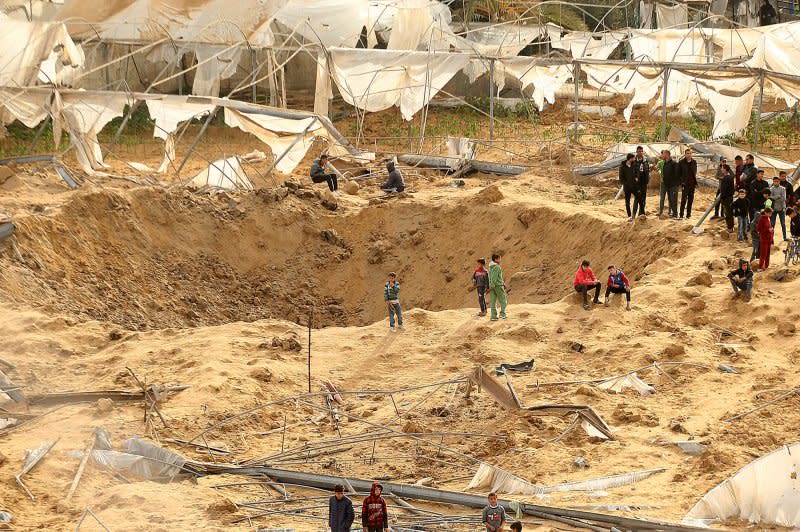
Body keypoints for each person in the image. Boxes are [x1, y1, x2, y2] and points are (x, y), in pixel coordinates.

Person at [659, 150, 680, 218]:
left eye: (663, 154)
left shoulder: (674, 163)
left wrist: (675, 184)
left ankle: (675, 214)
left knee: (674, 200)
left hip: (673, 186)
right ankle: (673, 213)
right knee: (670, 200)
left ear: (667, 155)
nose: (662, 156)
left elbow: (677, 175)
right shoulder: (665, 163)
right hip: (667, 185)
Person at [678, 148, 698, 219]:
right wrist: (681, 182)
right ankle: (681, 215)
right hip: (685, 184)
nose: (689, 155)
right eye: (687, 153)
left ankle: (688, 215)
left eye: (690, 153)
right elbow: (678, 174)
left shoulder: (694, 162)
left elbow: (695, 172)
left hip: (692, 184)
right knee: (683, 200)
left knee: (690, 200)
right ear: (685, 154)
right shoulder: (681, 162)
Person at [619, 153, 639, 221]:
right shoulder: (622, 167)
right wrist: (626, 184)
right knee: (627, 202)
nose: (634, 159)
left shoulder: (634, 165)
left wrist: (636, 177)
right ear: (630, 158)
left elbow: (636, 172)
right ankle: (629, 216)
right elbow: (621, 178)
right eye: (633, 158)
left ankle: (635, 214)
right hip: (627, 187)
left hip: (633, 186)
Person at [488, 254, 507, 321]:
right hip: (498, 286)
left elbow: (490, 277)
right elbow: (494, 277)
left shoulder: (490, 267)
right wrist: (493, 285)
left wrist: (490, 286)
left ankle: (493, 316)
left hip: (492, 287)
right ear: (496, 259)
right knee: (503, 300)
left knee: (493, 301)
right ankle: (502, 315)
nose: (500, 260)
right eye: (499, 258)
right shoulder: (497, 267)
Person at [769, 176, 788, 241]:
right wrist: (778, 196)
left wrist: (774, 198)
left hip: (782, 208)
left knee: (783, 223)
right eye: (774, 181)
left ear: (779, 181)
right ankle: (771, 239)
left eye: (777, 181)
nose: (776, 182)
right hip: (773, 209)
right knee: (772, 224)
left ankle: (785, 237)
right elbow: (770, 199)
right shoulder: (771, 189)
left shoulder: (783, 189)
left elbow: (783, 199)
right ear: (773, 181)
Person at [634, 145, 650, 215]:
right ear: (636, 152)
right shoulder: (634, 161)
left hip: (644, 182)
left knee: (643, 198)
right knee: (637, 198)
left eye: (641, 151)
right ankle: (633, 214)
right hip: (637, 183)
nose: (640, 153)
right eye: (639, 151)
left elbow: (648, 170)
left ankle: (641, 214)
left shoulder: (645, 161)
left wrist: (648, 178)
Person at [719, 163, 735, 233]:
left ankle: (730, 228)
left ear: (725, 170)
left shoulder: (726, 178)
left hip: (726, 199)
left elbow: (724, 190)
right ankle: (731, 227)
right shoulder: (731, 177)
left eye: (722, 168)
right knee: (730, 213)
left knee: (728, 213)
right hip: (730, 197)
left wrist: (722, 199)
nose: (721, 169)